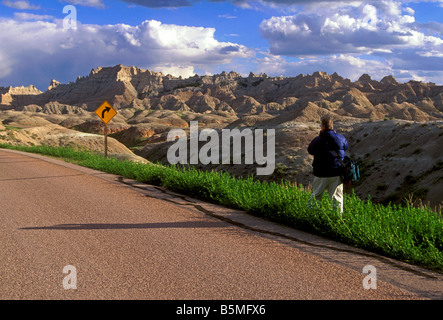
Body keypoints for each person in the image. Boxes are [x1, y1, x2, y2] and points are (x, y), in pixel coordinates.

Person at [307, 116, 348, 213]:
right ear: (332, 126)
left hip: (321, 173)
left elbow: (310, 150)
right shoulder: (341, 138)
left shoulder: (317, 140)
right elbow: (345, 148)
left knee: (316, 196)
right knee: (337, 199)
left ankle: (314, 218)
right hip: (336, 173)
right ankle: (337, 220)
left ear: (322, 127)